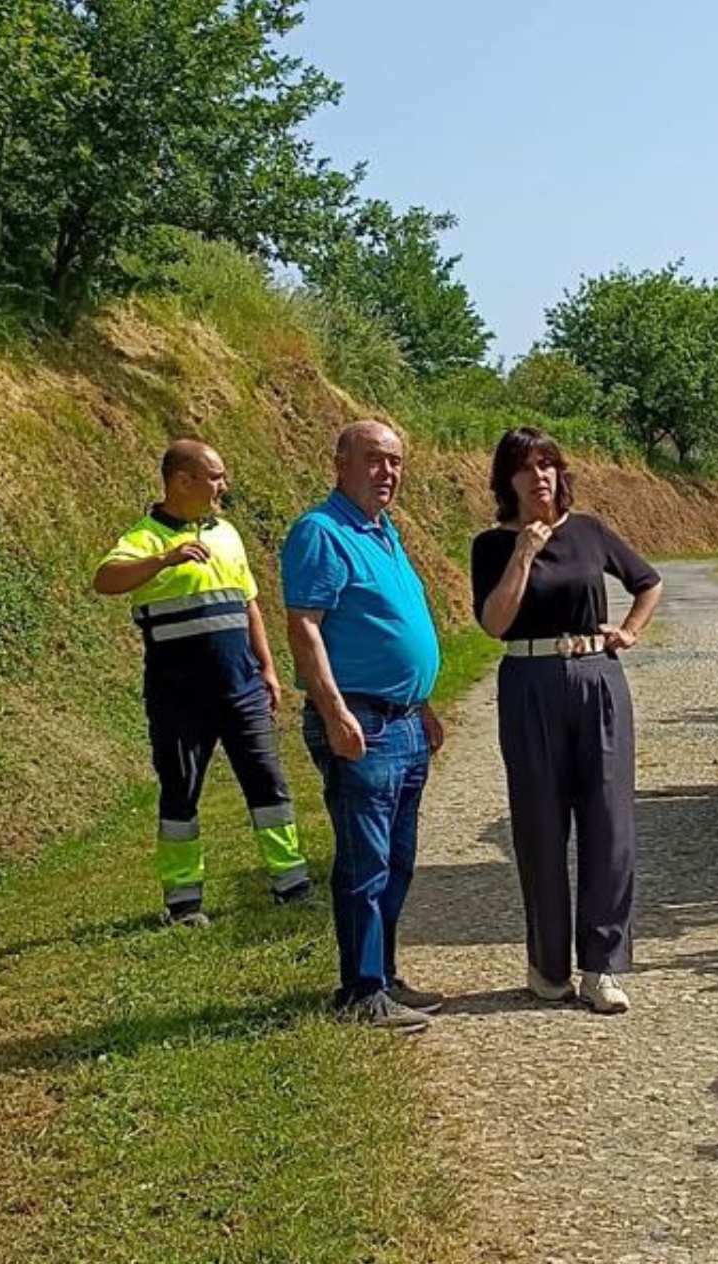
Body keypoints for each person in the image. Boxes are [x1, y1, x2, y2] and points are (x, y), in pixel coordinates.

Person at [470, 427, 663, 1015]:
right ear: (508, 481)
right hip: (528, 682)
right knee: (539, 827)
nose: (541, 477)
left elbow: (648, 581)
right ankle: (547, 967)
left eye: (549, 464)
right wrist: (523, 554)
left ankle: (601, 968)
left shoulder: (589, 531)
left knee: (609, 825)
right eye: (526, 468)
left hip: (598, 679)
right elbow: (495, 624)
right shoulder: (490, 545)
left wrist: (628, 632)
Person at [93, 440, 311, 927]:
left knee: (268, 783)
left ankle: (292, 884)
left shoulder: (227, 534)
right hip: (178, 697)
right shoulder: (147, 537)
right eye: (214, 477)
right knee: (180, 793)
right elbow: (105, 579)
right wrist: (164, 561)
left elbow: (249, 603)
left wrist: (268, 668)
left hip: (242, 687)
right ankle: (184, 903)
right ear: (182, 481)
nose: (222, 487)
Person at [281, 421, 447, 1033]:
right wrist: (333, 710)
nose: (388, 473)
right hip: (361, 722)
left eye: (397, 462)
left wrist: (423, 703)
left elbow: (394, 626)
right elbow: (306, 627)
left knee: (398, 861)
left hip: (403, 722)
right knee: (365, 861)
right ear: (341, 464)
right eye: (375, 460)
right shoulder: (321, 532)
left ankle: (383, 973)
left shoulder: (384, 533)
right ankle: (359, 992)